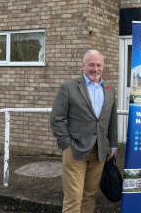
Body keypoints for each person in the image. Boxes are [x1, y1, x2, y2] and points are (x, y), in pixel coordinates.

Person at [50, 49, 118, 213]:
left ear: (103, 67)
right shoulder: (68, 87)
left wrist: (114, 145)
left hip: (100, 152)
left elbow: (112, 120)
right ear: (83, 66)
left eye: (99, 65)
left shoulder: (110, 89)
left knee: (89, 195)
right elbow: (56, 119)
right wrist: (67, 144)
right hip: (75, 151)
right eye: (91, 65)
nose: (95, 69)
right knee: (73, 198)